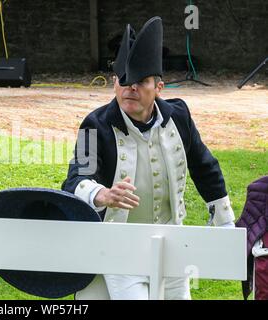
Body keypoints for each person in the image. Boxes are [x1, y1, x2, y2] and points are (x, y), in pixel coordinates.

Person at [61, 16, 236, 300]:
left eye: (140, 81)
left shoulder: (179, 116)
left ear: (159, 87)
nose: (130, 88)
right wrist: (102, 194)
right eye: (123, 81)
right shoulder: (96, 124)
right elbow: (74, 180)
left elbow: (205, 167)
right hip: (117, 242)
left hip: (172, 240)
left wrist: (226, 224)